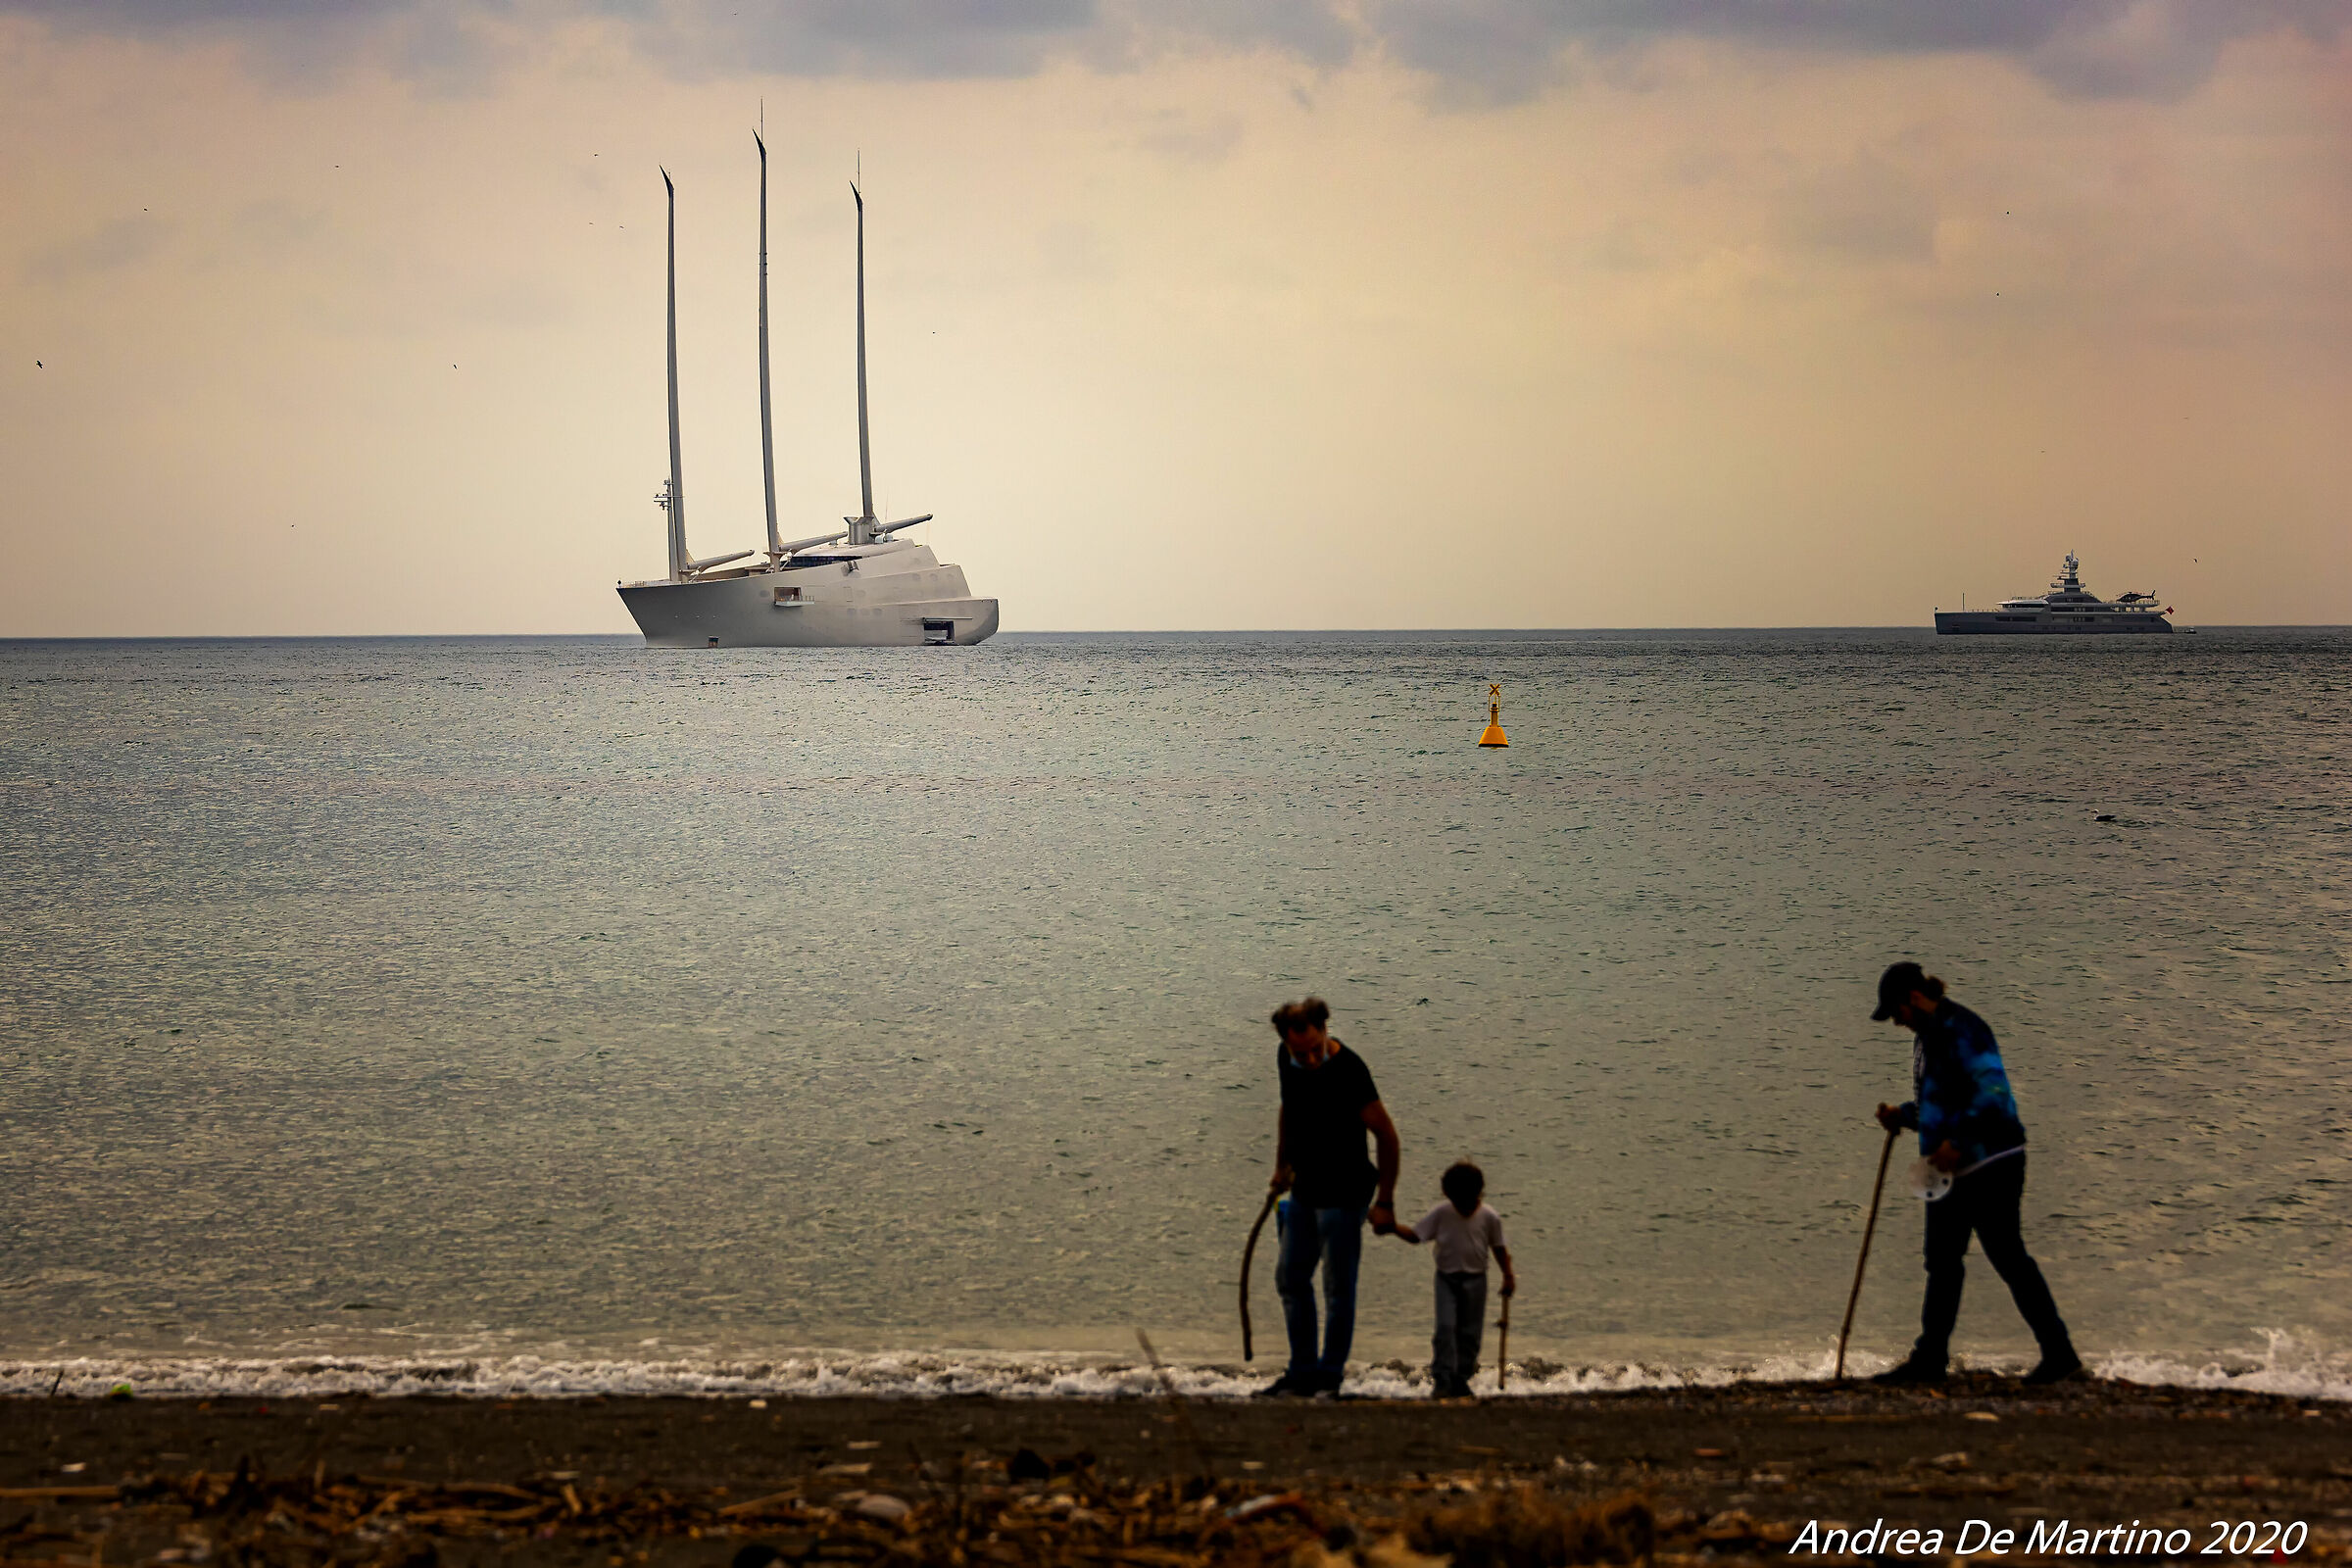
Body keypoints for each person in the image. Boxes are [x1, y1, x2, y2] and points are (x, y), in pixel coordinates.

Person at [1870, 961, 2082, 1387]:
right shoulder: (1926, 1038)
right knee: (1942, 1263)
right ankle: (1930, 1360)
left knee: (2008, 1257)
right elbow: (1943, 1105)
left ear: (1914, 998)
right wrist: (1905, 1116)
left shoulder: (1964, 1029)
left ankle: (2060, 1356)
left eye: (1897, 1012)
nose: (1896, 1022)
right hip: (1951, 1169)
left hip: (1992, 1162)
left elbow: (1993, 1093)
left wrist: (1958, 1142)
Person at [1260, 997, 1402, 1397]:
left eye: (1313, 1050)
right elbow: (1288, 1108)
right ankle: (1301, 1372)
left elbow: (1387, 1137)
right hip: (1306, 1187)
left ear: (1325, 1030)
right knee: (1290, 1277)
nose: (1307, 1059)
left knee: (1338, 1288)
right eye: (1298, 1053)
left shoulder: (1350, 1070)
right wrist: (1281, 1166)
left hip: (1346, 1193)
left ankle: (1329, 1376)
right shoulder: (1285, 1058)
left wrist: (1385, 1202)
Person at [1389, 1159, 1516, 1398]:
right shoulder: (1442, 1213)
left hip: (1476, 1280)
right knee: (1445, 1328)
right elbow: (1417, 1236)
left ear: (1478, 1194)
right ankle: (1442, 1378)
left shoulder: (1489, 1216)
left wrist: (1508, 1276)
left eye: (1468, 1202)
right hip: (1446, 1278)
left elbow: (1499, 1248)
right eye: (1458, 1202)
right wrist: (1393, 1227)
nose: (1464, 1208)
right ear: (1448, 1195)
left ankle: (1461, 1378)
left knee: (1470, 1333)